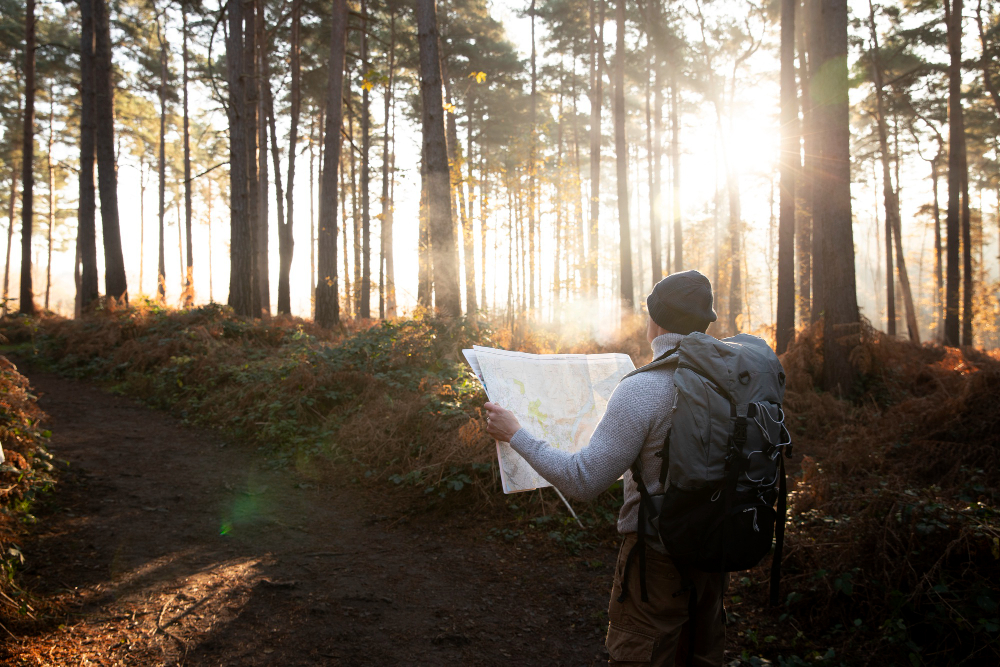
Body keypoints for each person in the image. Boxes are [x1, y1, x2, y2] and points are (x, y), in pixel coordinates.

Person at [484, 270, 727, 667]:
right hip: (716, 555)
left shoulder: (642, 389)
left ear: (655, 321)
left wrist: (516, 434)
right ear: (705, 322)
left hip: (657, 564)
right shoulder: (729, 381)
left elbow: (584, 480)